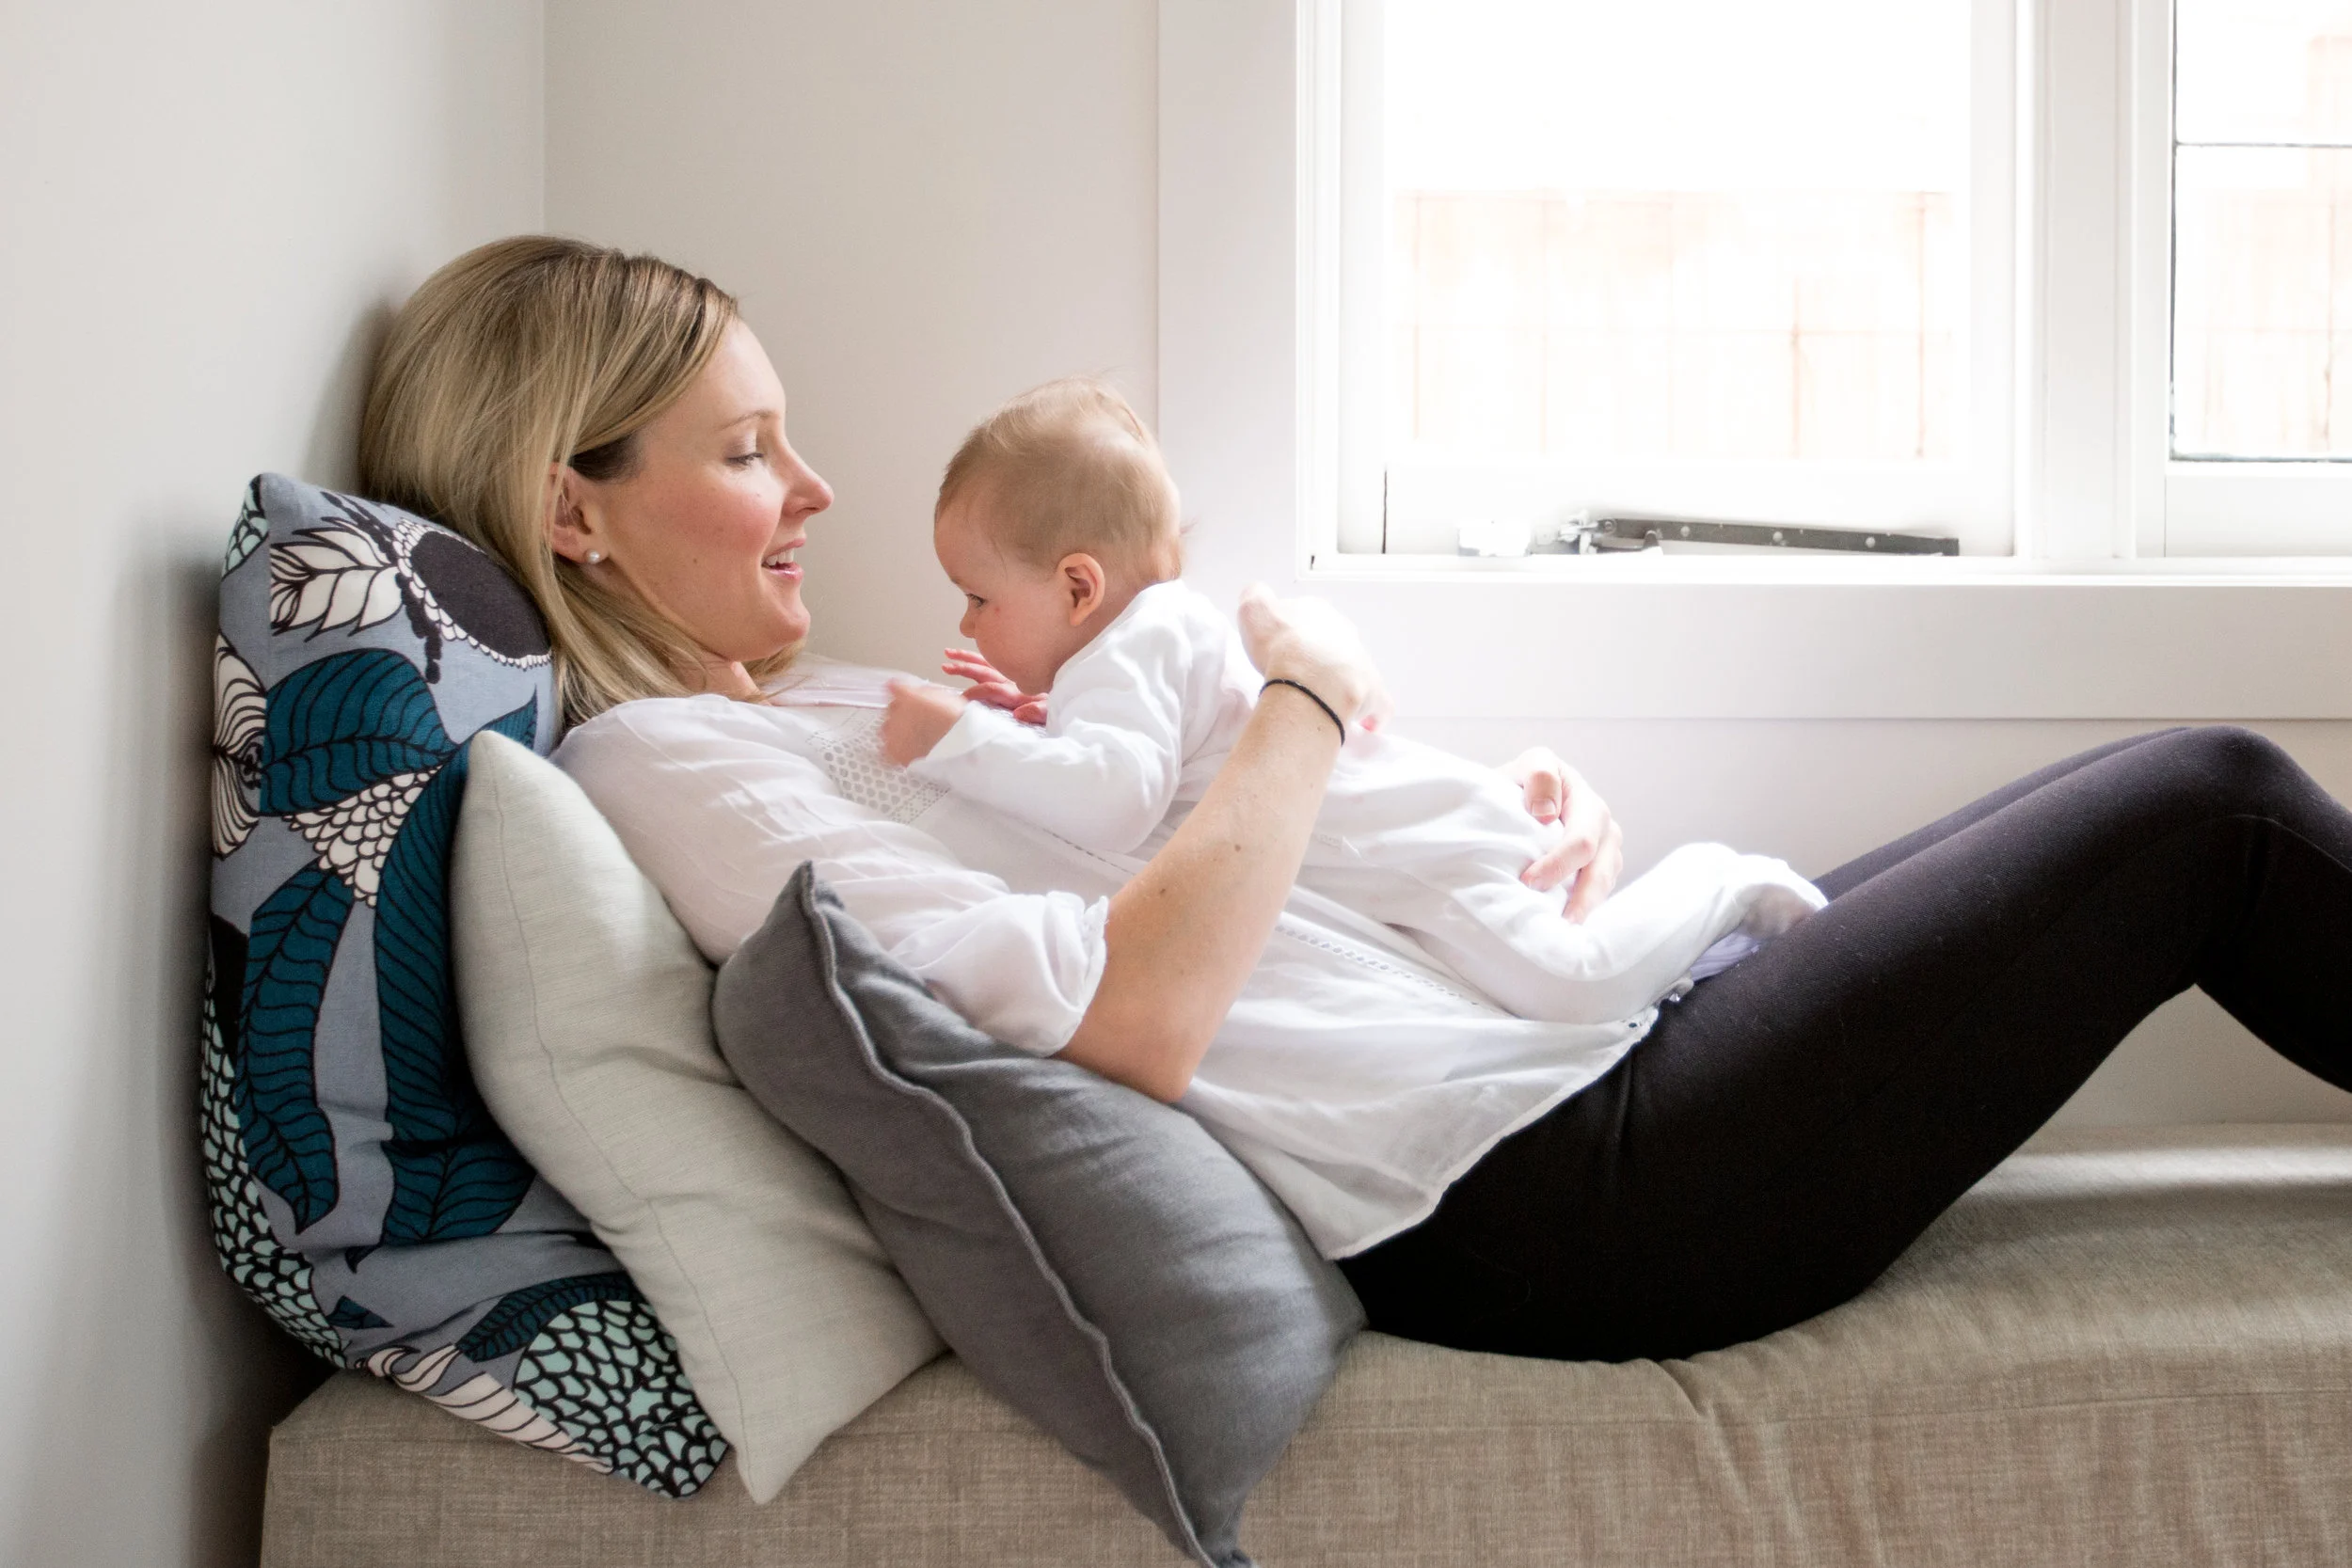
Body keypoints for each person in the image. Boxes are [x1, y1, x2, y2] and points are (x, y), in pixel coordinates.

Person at [361, 234, 2352, 1365]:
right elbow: (1133, 1010)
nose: (811, 488)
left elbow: (1189, 849)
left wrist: (1478, 846)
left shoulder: (820, 710)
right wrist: (1309, 696)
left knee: (2150, 797)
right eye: (746, 451)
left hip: (1539, 1074)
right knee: (2213, 811)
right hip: (1551, 1189)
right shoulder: (663, 766)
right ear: (572, 512)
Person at [875, 376, 1821, 1025]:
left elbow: (1114, 799)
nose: (965, 623)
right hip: (1410, 862)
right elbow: (1141, 760)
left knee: (1573, 987)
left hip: (1429, 853)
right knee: (1551, 994)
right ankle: (1717, 944)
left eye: (979, 597)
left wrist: (955, 739)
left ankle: (1726, 880)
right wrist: (1041, 720)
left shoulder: (1142, 640)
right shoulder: (1141, 645)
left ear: (1079, 588)